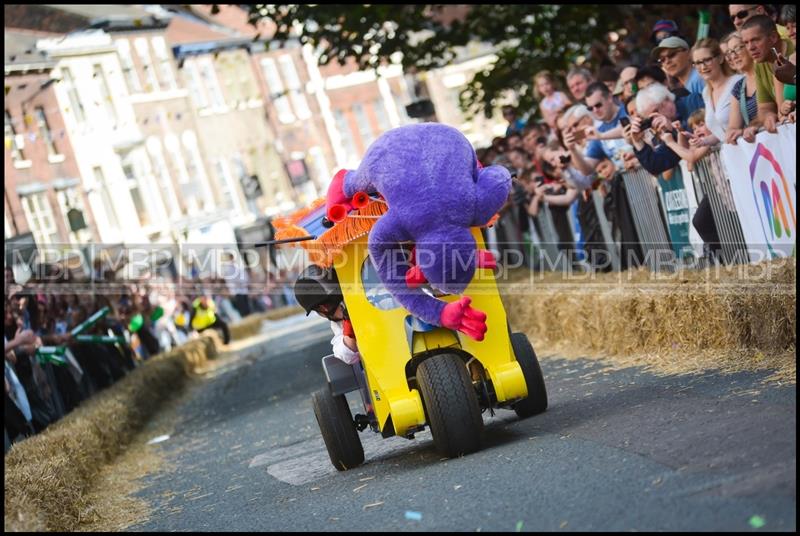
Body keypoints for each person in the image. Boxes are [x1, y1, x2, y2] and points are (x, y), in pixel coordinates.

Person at [740, 15, 795, 140]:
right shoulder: (759, 63)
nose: (750, 47)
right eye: (746, 43)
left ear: (773, 37)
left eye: (755, 40)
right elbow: (765, 107)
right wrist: (768, 116)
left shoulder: (792, 53)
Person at [293, 265, 359, 365]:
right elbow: (346, 355)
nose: (324, 311)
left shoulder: (365, 295)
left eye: (327, 304)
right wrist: (349, 328)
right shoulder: (339, 324)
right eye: (318, 309)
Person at [690, 38, 744, 146]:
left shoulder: (738, 81)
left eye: (707, 60)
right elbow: (721, 132)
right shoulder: (706, 92)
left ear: (720, 58)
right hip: (731, 155)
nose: (703, 67)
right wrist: (702, 141)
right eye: (698, 63)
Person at [723, 31, 761, 142]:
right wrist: (735, 132)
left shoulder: (767, 72)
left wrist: (755, 126)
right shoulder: (738, 88)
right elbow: (733, 127)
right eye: (730, 52)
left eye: (738, 49)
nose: (733, 56)